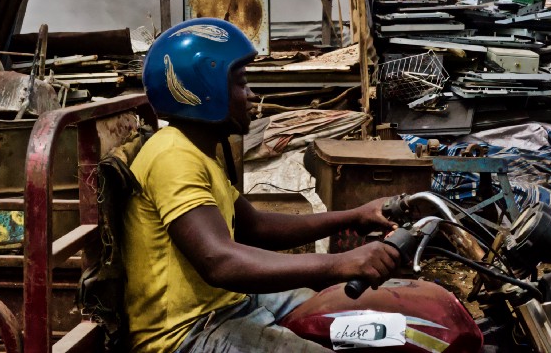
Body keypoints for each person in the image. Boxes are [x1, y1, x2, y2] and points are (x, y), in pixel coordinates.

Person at [123, 18, 401, 353]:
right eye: (241, 83)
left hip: (228, 304)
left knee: (351, 313)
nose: (252, 95)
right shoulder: (173, 156)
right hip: (186, 333)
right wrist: (341, 263)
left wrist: (354, 216)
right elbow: (219, 261)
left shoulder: (198, 152)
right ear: (204, 89)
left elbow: (254, 226)